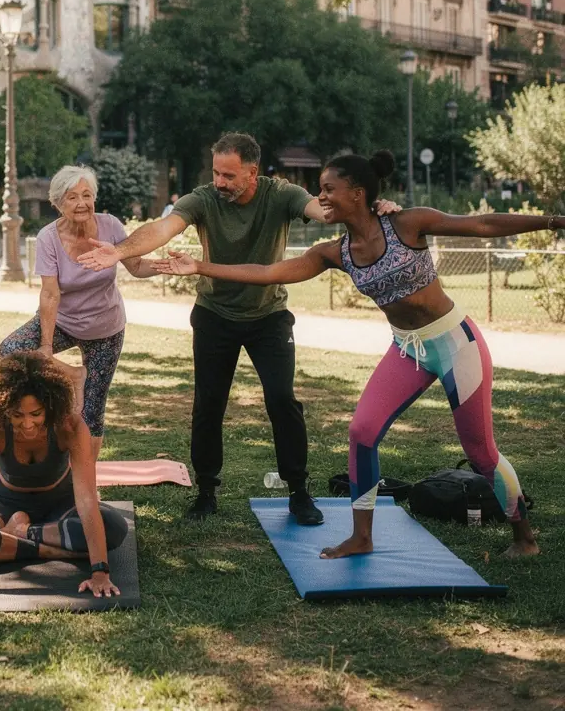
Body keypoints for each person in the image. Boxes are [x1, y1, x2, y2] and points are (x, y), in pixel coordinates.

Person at [153, 149, 557, 560]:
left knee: (480, 451)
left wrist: (554, 221)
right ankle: (362, 536)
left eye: (329, 188)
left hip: (455, 342)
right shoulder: (337, 252)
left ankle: (524, 538)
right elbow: (268, 272)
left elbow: (483, 223)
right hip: (406, 349)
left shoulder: (407, 223)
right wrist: (201, 268)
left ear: (358, 193)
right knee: (362, 434)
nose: (321, 196)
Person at [79, 131, 400, 525]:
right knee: (208, 405)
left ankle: (299, 491)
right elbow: (163, 228)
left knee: (282, 400)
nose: (220, 182)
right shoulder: (203, 199)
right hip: (214, 315)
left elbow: (324, 210)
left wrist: (371, 204)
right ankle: (206, 491)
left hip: (268, 318)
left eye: (229, 176)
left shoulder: (280, 194)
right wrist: (121, 250)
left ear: (252, 173)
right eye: (216, 173)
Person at [0, 351, 128, 602]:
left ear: (50, 407)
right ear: (3, 408)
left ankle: (23, 533)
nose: (27, 424)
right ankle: (51, 548)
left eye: (36, 414)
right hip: (4, 503)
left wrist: (100, 571)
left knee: (113, 527)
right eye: (17, 415)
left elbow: (87, 500)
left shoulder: (70, 426)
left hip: (60, 502)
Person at [0, 166, 161, 459]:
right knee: (11, 349)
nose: (82, 203)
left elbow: (135, 267)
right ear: (58, 203)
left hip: (105, 329)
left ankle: (83, 480)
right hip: (63, 322)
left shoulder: (110, 226)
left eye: (87, 195)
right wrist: (46, 347)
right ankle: (74, 375)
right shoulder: (49, 238)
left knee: (92, 410)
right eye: (72, 197)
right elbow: (50, 294)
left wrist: (163, 266)